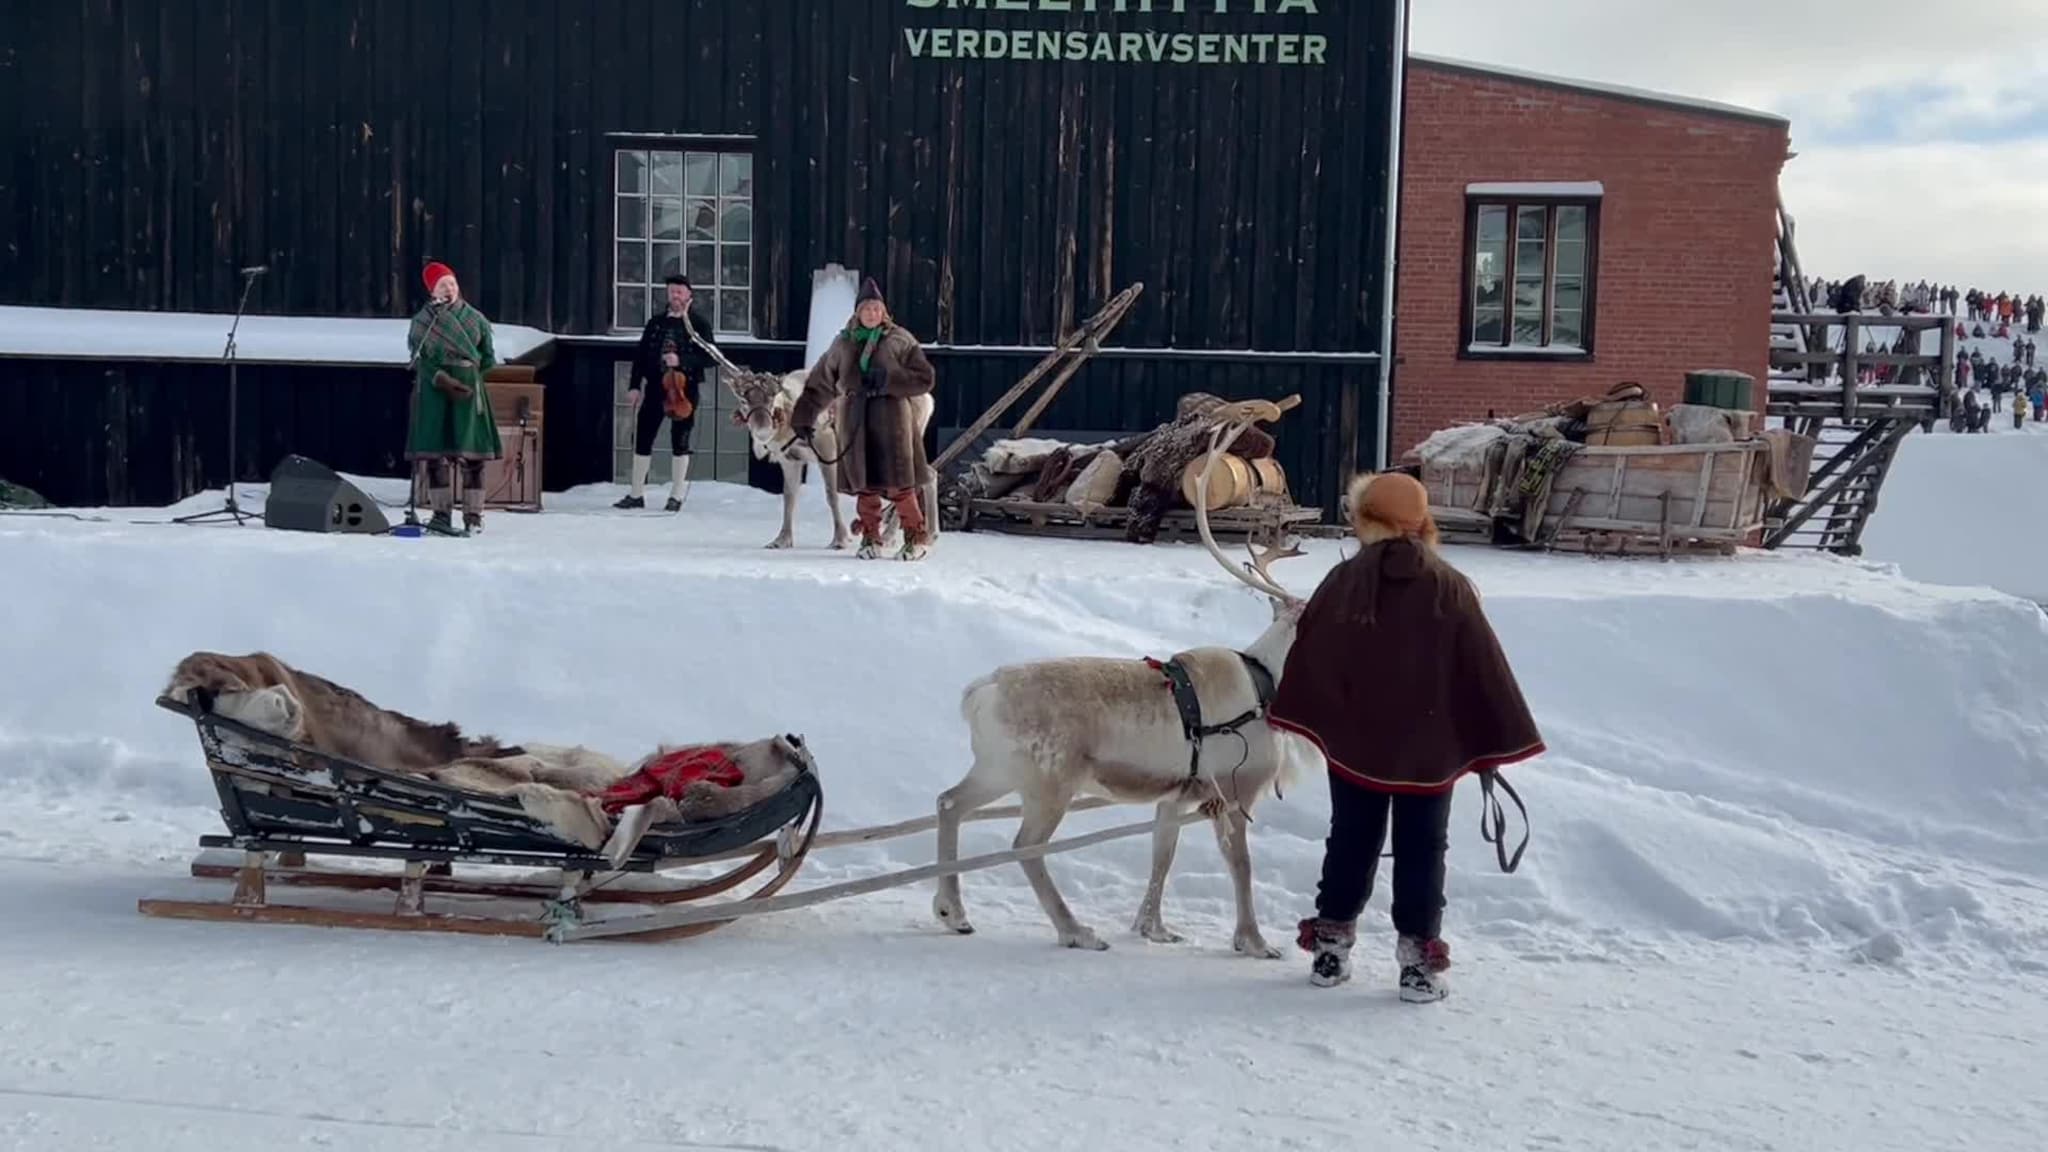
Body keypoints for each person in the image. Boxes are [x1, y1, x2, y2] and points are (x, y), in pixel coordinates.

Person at [1269, 472, 1545, 1002]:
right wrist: (1485, 736)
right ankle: (1418, 967)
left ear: (1365, 518)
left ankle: (1330, 953)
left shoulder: (1342, 581)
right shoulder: (1451, 586)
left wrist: (1327, 716)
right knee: (1423, 848)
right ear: (1421, 522)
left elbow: (1315, 655)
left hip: (1356, 746)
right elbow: (1481, 668)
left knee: (1350, 837)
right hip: (1429, 752)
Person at [789, 278, 938, 560]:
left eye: (877, 309)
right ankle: (871, 538)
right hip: (854, 421)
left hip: (892, 421)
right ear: (858, 312)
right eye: (867, 309)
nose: (873, 314)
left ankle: (916, 537)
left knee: (899, 482)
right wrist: (804, 417)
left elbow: (924, 378)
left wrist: (889, 381)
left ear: (884, 312)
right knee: (864, 483)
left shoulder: (900, 340)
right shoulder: (842, 344)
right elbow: (820, 382)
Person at [406, 261, 501, 536]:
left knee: (472, 456)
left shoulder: (476, 319)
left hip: (469, 393)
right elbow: (420, 358)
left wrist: (469, 376)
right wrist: (442, 378)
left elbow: (488, 356)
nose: (450, 288)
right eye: (443, 284)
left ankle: (473, 516)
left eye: (452, 282)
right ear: (432, 290)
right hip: (436, 392)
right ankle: (441, 515)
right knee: (437, 455)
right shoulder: (423, 321)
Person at [616, 274, 720, 512]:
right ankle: (636, 494)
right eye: (672, 291)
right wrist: (634, 386)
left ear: (688, 296)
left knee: (680, 440)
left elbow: (711, 357)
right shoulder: (656, 323)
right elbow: (641, 356)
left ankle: (676, 496)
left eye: (680, 292)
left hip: (685, 390)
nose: (675, 295)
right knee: (643, 437)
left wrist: (681, 360)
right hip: (655, 387)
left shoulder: (698, 324)